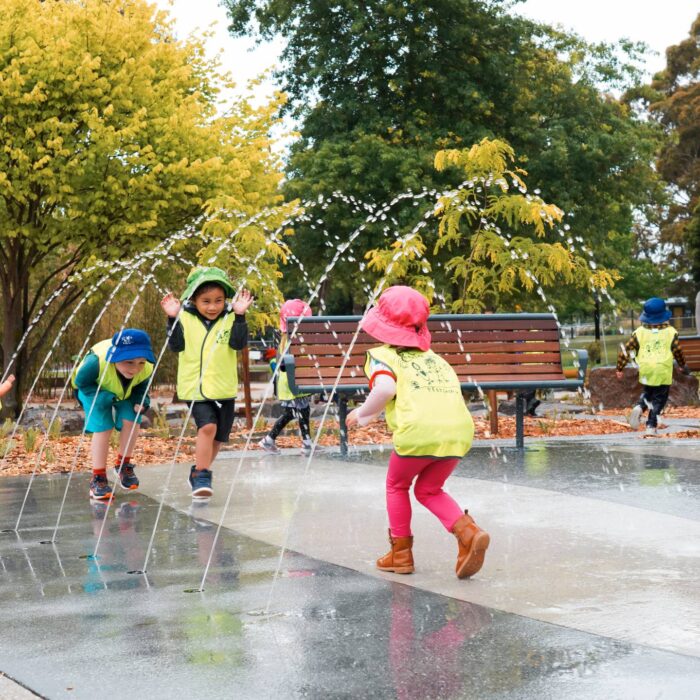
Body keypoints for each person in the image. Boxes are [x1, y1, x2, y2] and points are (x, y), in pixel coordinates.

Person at [346, 285, 490, 578]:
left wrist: (362, 414)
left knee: (396, 485)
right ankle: (468, 533)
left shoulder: (382, 356)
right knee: (428, 489)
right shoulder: (435, 358)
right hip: (458, 432)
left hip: (419, 432)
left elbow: (385, 388)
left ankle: (401, 555)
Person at [161, 266, 252, 498]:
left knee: (219, 437)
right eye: (206, 301)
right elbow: (176, 346)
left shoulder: (231, 317)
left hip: (224, 388)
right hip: (194, 388)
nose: (213, 306)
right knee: (207, 427)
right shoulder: (185, 318)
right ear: (194, 299)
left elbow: (238, 344)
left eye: (218, 300)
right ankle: (202, 475)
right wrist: (172, 319)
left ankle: (198, 472)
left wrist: (240, 315)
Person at [72, 329, 155, 501]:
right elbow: (81, 383)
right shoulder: (95, 363)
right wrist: (103, 398)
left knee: (133, 418)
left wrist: (142, 401)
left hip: (125, 393)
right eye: (129, 362)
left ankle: (123, 465)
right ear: (115, 357)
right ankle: (98, 478)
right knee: (104, 426)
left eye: (140, 362)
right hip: (93, 391)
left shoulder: (146, 367)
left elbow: (141, 386)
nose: (135, 369)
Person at [616, 297, 689, 435]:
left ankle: (639, 406)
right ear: (664, 316)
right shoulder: (670, 332)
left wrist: (620, 367)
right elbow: (677, 350)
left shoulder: (639, 332)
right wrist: (682, 364)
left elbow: (626, 350)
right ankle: (651, 425)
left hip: (646, 369)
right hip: (662, 370)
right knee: (659, 400)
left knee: (648, 392)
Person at [259, 299, 314, 456]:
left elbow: (281, 364)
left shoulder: (285, 338)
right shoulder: (299, 339)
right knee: (296, 411)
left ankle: (306, 443)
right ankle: (270, 439)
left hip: (288, 382)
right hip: (296, 382)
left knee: (298, 411)